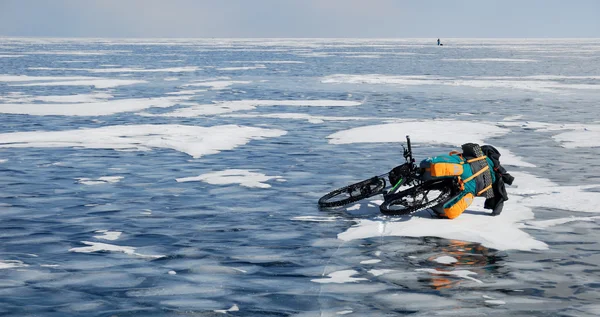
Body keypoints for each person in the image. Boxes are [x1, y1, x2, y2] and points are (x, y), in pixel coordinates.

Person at [420, 143, 514, 219]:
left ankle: (423, 172)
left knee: (440, 167)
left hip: (463, 168)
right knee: (451, 211)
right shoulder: (495, 185)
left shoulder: (483, 157)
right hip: (470, 185)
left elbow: (471, 147)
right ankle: (440, 208)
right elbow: (497, 206)